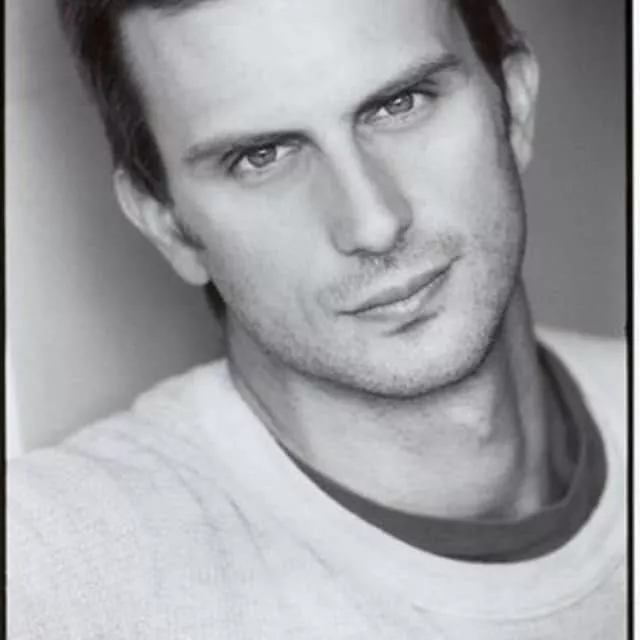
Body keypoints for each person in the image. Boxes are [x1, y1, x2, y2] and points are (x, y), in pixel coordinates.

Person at [8, 0, 626, 638]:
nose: (373, 222)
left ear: (514, 104)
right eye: (262, 156)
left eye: (402, 104)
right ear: (170, 227)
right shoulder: (49, 574)